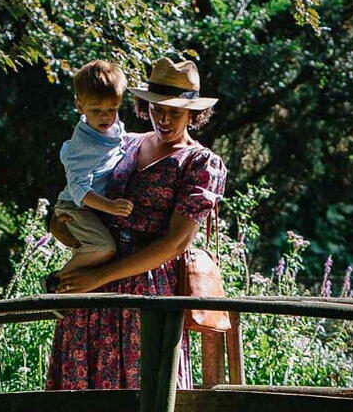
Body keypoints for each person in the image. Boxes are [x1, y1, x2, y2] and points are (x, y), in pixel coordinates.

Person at [46, 57, 227, 390]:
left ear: (193, 113)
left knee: (143, 390)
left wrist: (98, 276)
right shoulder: (124, 143)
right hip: (92, 289)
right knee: (79, 389)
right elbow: (84, 191)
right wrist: (60, 224)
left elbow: (175, 243)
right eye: (158, 109)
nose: (164, 118)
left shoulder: (199, 162)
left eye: (175, 111)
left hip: (146, 295)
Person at [47, 60, 134, 289]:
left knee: (97, 248)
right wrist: (110, 206)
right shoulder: (83, 144)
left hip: (90, 208)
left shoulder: (113, 128)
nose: (105, 117)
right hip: (75, 206)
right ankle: (55, 283)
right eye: (96, 111)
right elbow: (78, 188)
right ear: (79, 106)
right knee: (103, 248)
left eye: (112, 110)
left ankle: (65, 288)